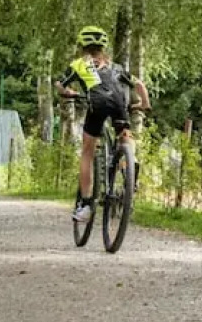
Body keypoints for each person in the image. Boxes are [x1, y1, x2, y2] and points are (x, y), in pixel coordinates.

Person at [58, 26, 151, 230]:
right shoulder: (116, 67)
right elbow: (141, 86)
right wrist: (143, 105)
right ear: (103, 46)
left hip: (97, 103)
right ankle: (129, 165)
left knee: (88, 152)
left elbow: (60, 85)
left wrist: (70, 93)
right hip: (119, 102)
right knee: (125, 137)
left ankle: (86, 205)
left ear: (83, 45)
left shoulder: (79, 64)